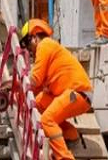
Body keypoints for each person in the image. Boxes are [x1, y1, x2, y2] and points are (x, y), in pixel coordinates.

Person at [20, 19, 92, 160]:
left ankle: (65, 158)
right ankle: (70, 134)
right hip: (72, 93)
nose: (29, 50)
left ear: (34, 38)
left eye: (28, 45)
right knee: (39, 102)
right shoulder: (48, 47)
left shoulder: (44, 45)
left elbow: (35, 79)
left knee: (47, 120)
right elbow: (37, 87)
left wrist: (16, 83)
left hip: (76, 93)